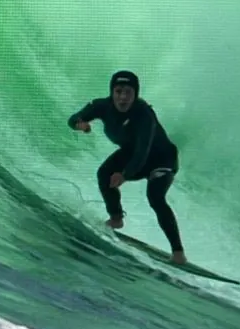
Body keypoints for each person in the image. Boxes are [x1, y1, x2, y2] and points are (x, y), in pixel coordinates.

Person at [68, 70, 185, 264]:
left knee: (155, 197)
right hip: (132, 152)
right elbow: (74, 118)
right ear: (112, 92)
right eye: (118, 91)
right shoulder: (101, 106)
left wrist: (125, 174)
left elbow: (143, 151)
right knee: (104, 174)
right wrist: (79, 125)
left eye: (128, 92)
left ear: (135, 94)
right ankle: (116, 218)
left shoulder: (144, 114)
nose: (123, 97)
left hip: (161, 158)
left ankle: (178, 253)